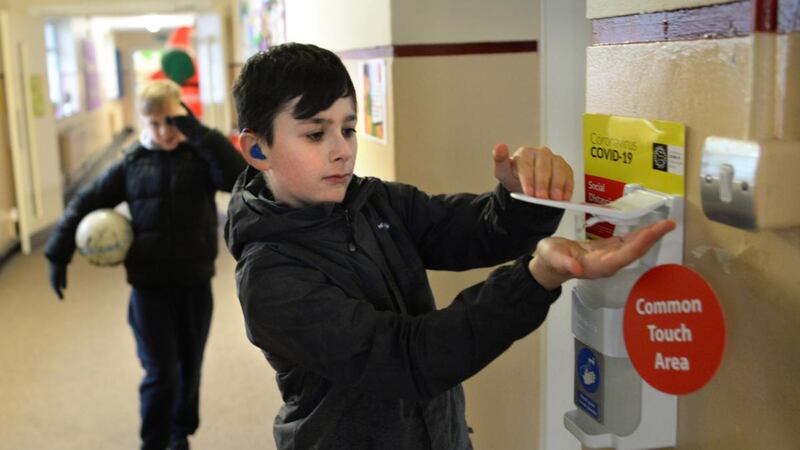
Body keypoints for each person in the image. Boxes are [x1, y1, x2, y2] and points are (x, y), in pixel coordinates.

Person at [226, 43, 675, 450]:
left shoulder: (374, 202)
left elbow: (473, 231)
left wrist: (524, 198)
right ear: (257, 149)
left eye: (348, 128)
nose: (342, 150)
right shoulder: (270, 278)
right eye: (315, 134)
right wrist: (535, 277)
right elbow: (407, 359)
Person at [44, 79, 246, 450]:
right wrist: (57, 252)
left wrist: (199, 133)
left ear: (183, 116)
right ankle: (153, 442)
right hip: (148, 287)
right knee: (161, 373)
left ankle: (179, 434)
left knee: (189, 367)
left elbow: (237, 177)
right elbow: (83, 203)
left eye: (172, 121)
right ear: (143, 122)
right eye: (154, 124)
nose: (163, 131)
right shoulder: (132, 163)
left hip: (194, 283)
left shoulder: (201, 156)